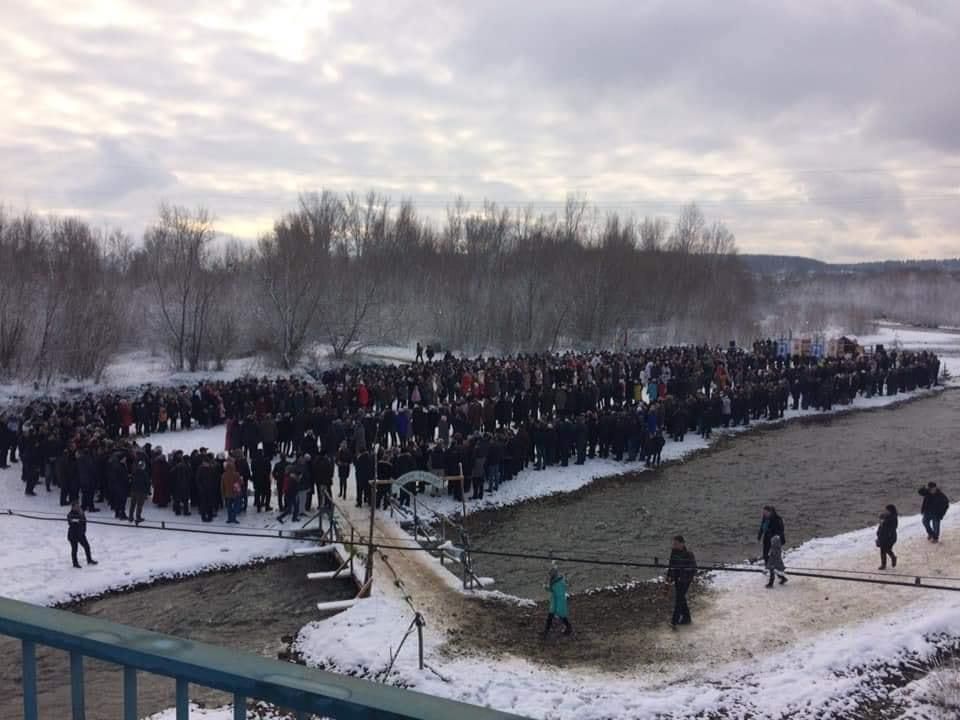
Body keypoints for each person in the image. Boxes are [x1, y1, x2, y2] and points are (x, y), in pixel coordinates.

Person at [667, 534, 696, 628]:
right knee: (681, 598)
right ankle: (687, 618)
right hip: (676, 578)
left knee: (679, 599)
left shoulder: (689, 554)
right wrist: (669, 577)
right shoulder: (673, 552)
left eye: (676, 544)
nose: (674, 546)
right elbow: (671, 565)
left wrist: (684, 576)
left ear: (682, 544)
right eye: (673, 544)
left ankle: (674, 622)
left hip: (685, 580)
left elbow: (693, 569)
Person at [542, 565, 572, 638]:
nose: (549, 575)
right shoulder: (555, 580)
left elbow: (558, 593)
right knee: (552, 616)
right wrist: (546, 587)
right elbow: (553, 590)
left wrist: (546, 587)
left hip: (558, 602)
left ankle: (568, 628)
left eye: (550, 573)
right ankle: (546, 631)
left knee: (560, 616)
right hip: (555, 602)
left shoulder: (558, 582)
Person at [67, 501, 97, 568]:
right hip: (73, 535)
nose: (78, 507)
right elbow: (71, 522)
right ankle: (75, 563)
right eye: (76, 506)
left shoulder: (81, 512)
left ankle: (89, 560)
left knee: (87, 547)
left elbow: (84, 522)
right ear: (72, 507)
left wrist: (83, 530)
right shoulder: (70, 514)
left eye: (78, 506)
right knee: (75, 549)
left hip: (81, 534)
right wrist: (78, 520)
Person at [877, 504, 898, 570]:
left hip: (890, 537)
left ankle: (891, 559)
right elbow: (881, 526)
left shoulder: (893, 518)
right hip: (883, 536)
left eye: (886, 510)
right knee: (884, 550)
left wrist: (883, 521)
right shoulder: (885, 516)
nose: (885, 511)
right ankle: (884, 564)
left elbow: (892, 528)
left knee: (885, 549)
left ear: (890, 510)